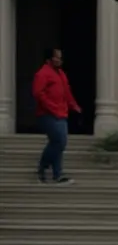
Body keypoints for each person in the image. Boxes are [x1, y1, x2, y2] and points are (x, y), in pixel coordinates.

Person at [33, 47, 81, 185]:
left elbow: (66, 92)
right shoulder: (42, 73)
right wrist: (51, 107)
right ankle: (43, 167)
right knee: (58, 141)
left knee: (60, 143)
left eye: (60, 57)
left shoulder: (61, 74)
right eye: (57, 57)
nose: (60, 60)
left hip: (61, 113)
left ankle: (57, 175)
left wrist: (74, 105)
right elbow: (38, 93)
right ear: (49, 59)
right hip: (47, 114)